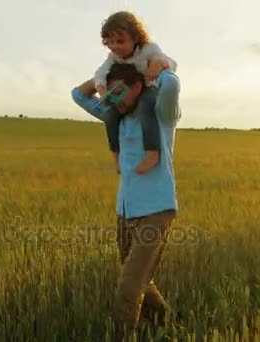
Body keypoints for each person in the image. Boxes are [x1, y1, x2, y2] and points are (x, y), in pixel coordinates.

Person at [71, 63, 181, 340]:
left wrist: (160, 69)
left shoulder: (161, 113)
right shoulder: (115, 115)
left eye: (120, 92)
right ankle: (167, 323)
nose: (113, 99)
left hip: (156, 210)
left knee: (128, 288)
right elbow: (78, 95)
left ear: (137, 87)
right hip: (125, 210)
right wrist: (101, 78)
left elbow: (172, 85)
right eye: (110, 94)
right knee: (140, 280)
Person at [94, 11, 178, 174]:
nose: (115, 47)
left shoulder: (148, 49)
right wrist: (101, 87)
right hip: (126, 93)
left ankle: (152, 152)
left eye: (120, 41)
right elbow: (100, 73)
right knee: (109, 114)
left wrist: (159, 63)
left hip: (149, 88)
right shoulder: (114, 57)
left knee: (146, 106)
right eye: (110, 42)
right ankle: (116, 156)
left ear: (136, 37)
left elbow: (172, 64)